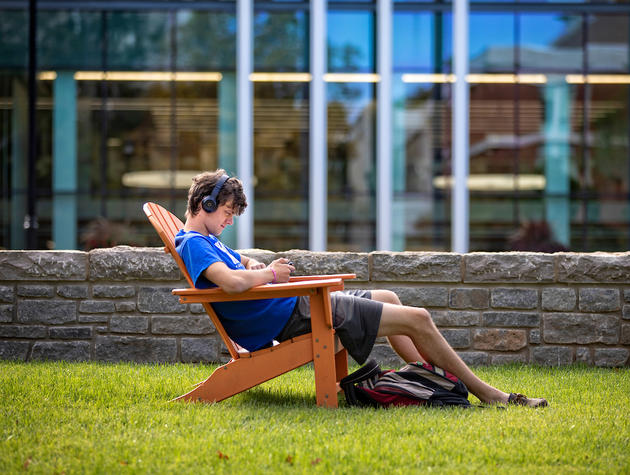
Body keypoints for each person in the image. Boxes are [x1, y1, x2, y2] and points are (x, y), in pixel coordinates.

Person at [175, 169, 548, 408]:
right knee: (418, 318)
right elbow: (233, 282)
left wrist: (254, 266)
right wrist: (269, 274)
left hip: (296, 309)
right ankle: (490, 395)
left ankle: (427, 379)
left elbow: (240, 267)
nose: (228, 220)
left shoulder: (209, 240)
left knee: (389, 297)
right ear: (203, 204)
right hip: (296, 317)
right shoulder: (193, 242)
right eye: (225, 212)